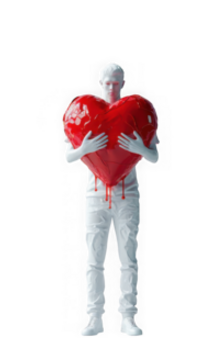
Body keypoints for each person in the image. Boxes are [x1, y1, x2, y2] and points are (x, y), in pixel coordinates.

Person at [66, 62, 158, 338]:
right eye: (107, 81)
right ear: (99, 82)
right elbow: (69, 157)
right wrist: (84, 149)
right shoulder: (84, 116)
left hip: (127, 195)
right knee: (94, 258)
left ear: (124, 83)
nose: (111, 86)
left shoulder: (137, 114)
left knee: (128, 258)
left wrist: (140, 148)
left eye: (116, 81)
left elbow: (155, 158)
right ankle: (94, 317)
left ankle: (127, 317)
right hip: (95, 197)